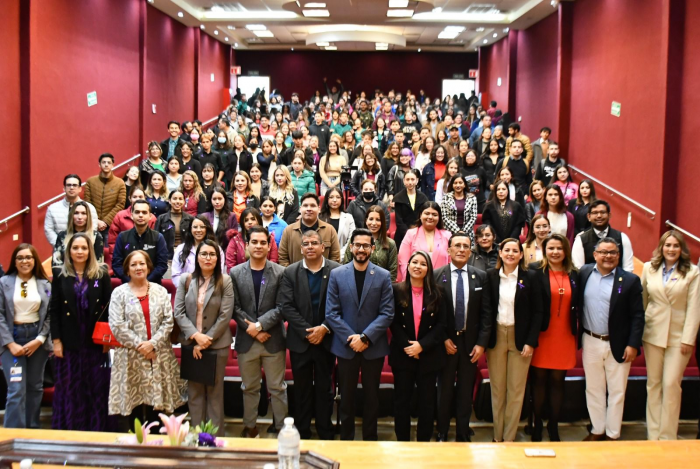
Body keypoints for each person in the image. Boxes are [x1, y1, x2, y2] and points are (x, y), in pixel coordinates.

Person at [326, 228, 394, 441]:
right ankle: (347, 440)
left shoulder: (383, 276)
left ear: (372, 248)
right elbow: (331, 313)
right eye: (358, 245)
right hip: (345, 347)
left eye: (366, 245)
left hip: (373, 347)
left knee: (372, 398)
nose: (361, 249)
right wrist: (352, 338)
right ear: (351, 247)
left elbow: (387, 312)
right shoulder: (337, 274)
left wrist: (365, 337)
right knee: (346, 398)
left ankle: (370, 439)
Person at [108, 250, 187, 422]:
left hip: (158, 355)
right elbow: (117, 325)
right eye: (133, 264)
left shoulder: (160, 291)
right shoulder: (119, 293)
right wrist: (142, 346)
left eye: (142, 263)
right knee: (134, 410)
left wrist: (152, 344)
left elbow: (168, 321)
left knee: (156, 411)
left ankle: (155, 439)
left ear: (148, 267)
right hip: (131, 357)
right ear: (127, 270)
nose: (138, 267)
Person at [579, 237, 644, 441]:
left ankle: (613, 433)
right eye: (603, 252)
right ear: (595, 255)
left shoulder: (630, 280)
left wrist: (633, 344)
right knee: (593, 388)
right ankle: (597, 429)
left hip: (619, 343)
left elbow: (638, 315)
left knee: (617, 391)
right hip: (590, 340)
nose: (608, 256)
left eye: (613, 252)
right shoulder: (584, 273)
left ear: (618, 255)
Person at [279, 230, 340, 440]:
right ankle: (302, 432)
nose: (310, 247)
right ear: (301, 248)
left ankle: (325, 431)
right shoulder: (290, 272)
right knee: (301, 390)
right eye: (306, 244)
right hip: (300, 341)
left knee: (325, 389)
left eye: (314, 243)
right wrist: (308, 332)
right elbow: (286, 306)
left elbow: (340, 304)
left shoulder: (336, 270)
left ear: (323, 247)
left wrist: (324, 328)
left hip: (327, 340)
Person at [49, 233, 114, 431]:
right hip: (69, 342)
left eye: (84, 248)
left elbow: (109, 308)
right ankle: (70, 429)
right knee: (71, 388)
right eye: (75, 248)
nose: (80, 252)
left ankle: (95, 429)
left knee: (95, 387)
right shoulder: (60, 275)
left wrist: (106, 340)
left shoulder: (101, 274)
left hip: (94, 341)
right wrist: (56, 340)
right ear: (69, 251)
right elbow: (54, 310)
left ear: (90, 251)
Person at [641, 231, 700, 440]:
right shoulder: (649, 268)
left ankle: (667, 437)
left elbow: (694, 308)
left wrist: (688, 339)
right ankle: (653, 435)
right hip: (653, 333)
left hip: (678, 337)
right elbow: (643, 301)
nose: (671, 249)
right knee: (654, 384)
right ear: (661, 247)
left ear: (682, 249)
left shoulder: (692, 272)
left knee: (670, 384)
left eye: (676, 245)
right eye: (668, 245)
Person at [434, 232, 492, 442]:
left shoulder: (481, 276)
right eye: (457, 245)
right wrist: (443, 339)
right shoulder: (437, 275)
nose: (461, 249)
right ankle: (442, 430)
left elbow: (487, 313)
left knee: (466, 391)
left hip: (471, 343)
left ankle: (463, 431)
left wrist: (481, 344)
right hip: (446, 342)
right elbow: (432, 313)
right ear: (449, 250)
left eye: (465, 246)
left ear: (470, 251)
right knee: (445, 389)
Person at [231, 227, 287, 438]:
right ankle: (250, 427)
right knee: (249, 387)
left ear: (269, 245)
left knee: (277, 388)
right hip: (247, 341)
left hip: (273, 340)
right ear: (247, 245)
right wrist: (254, 330)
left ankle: (281, 427)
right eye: (254, 242)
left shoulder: (280, 272)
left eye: (263, 242)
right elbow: (234, 307)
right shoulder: (236, 273)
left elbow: (282, 307)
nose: (258, 246)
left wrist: (260, 326)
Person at [173, 239, 233, 436]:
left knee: (215, 395)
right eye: (204, 254)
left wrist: (207, 339)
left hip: (217, 345)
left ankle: (214, 438)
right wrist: (196, 336)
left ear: (218, 258)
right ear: (197, 257)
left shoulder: (225, 281)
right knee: (195, 394)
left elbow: (225, 315)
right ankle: (197, 437)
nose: (208, 258)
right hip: (191, 344)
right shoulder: (186, 280)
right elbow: (179, 312)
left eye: (212, 254)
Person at [486, 238, 543, 442]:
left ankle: (509, 438)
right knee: (497, 389)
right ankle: (497, 436)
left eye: (515, 251)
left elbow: (538, 312)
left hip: (521, 339)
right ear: (500, 253)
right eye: (507, 250)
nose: (510, 254)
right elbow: (486, 310)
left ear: (521, 255)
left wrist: (531, 341)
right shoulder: (491, 276)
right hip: (497, 337)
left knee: (516, 390)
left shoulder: (531, 277)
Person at [390, 251, 445, 441]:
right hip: (402, 354)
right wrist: (409, 347)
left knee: (427, 404)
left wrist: (421, 346)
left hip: (429, 355)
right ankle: (402, 442)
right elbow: (393, 322)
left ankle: (423, 443)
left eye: (423, 263)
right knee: (401, 402)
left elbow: (441, 325)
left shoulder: (438, 293)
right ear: (408, 266)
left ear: (428, 269)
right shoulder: (396, 290)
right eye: (414, 262)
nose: (418, 266)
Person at [528, 234, 579, 442]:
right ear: (544, 250)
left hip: (564, 335)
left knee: (558, 382)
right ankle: (537, 424)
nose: (555, 252)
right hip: (542, 334)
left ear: (566, 251)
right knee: (538, 381)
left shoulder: (575, 273)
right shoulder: (534, 271)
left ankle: (553, 425)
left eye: (559, 248)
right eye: (551, 248)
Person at [0, 244, 51, 428]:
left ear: (35, 260)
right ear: (14, 261)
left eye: (28, 257)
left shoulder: (45, 284)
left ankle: (31, 430)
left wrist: (39, 340)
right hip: (12, 339)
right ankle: (13, 435)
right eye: (20, 258)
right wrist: (10, 344)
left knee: (35, 387)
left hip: (37, 339)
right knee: (16, 388)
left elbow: (50, 314)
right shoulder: (4, 282)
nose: (24, 261)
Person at [112, 200, 169, 284]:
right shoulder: (122, 237)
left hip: (152, 285)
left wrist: (145, 282)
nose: (140, 215)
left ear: (150, 216)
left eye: (144, 212)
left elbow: (162, 265)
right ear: (132, 215)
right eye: (137, 212)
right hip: (128, 284)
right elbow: (117, 265)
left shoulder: (158, 237)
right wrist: (131, 281)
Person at [278, 193, 341, 267]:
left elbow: (335, 257)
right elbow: (282, 258)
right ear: (300, 209)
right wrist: (292, 273)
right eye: (305, 205)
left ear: (319, 209)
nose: (309, 209)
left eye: (313, 206)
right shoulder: (288, 231)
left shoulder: (329, 230)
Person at [572, 200, 634, 272]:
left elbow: (628, 268)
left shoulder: (622, 238)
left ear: (609, 215)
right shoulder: (581, 240)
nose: (599, 216)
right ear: (589, 217)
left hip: (617, 278)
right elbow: (579, 269)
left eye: (603, 212)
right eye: (595, 213)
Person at [397, 202, 452, 282]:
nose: (430, 217)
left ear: (439, 217)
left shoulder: (447, 236)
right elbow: (403, 262)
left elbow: (451, 262)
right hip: (416, 282)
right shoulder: (410, 234)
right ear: (420, 215)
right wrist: (410, 282)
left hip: (441, 282)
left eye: (434, 214)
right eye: (427, 213)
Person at [343, 206, 398, 282]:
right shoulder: (355, 240)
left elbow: (393, 271)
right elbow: (346, 263)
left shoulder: (390, 243)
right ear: (366, 221)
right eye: (371, 219)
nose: (374, 223)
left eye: (378, 220)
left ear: (382, 222)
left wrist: (386, 286)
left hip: (381, 284)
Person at [52, 201, 104, 278]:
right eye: (76, 213)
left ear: (88, 216)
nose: (80, 217)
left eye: (83, 213)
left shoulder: (96, 236)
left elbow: (99, 265)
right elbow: (56, 264)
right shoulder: (62, 236)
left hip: (89, 278)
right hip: (65, 278)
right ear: (71, 216)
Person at [45, 174, 99, 246]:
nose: (71, 188)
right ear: (64, 188)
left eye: (74, 185)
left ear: (80, 189)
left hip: (84, 249)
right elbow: (49, 230)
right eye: (69, 185)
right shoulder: (52, 208)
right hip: (60, 249)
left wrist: (82, 246)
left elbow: (93, 229)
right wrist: (60, 245)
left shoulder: (90, 208)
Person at [83, 153, 126, 243]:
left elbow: (120, 204)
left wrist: (105, 222)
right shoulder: (90, 181)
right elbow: (87, 203)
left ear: (113, 165)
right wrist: (96, 221)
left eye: (109, 162)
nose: (106, 165)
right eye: (104, 162)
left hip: (110, 225)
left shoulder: (120, 183)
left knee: (108, 249)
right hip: (92, 224)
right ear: (99, 164)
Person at [172, 215, 225, 286]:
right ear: (190, 229)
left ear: (207, 229)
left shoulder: (217, 249)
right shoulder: (181, 249)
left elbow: (219, 273)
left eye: (202, 227)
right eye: (195, 227)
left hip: (209, 289)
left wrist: (204, 288)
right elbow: (176, 275)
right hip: (185, 289)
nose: (198, 230)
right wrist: (187, 288)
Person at [155, 189, 194, 262]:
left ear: (184, 201)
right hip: (166, 257)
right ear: (169, 201)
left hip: (186, 256)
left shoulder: (190, 219)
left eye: (180, 199)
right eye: (175, 199)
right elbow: (155, 239)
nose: (177, 201)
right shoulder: (161, 218)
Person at [393, 169, 428, 249]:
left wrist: (417, 232)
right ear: (404, 181)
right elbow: (399, 221)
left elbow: (424, 217)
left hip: (420, 234)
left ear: (417, 181)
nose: (410, 182)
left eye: (412, 179)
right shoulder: (398, 198)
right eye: (407, 179)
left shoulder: (423, 198)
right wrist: (408, 234)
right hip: (402, 235)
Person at [319, 187, 355, 257]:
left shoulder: (348, 217)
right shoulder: (319, 217)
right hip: (323, 256)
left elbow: (351, 238)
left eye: (338, 197)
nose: (334, 200)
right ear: (327, 199)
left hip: (343, 257)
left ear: (342, 199)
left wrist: (340, 254)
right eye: (331, 197)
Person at [441, 175, 478, 243]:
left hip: (467, 233)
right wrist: (457, 231)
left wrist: (463, 231)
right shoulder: (446, 198)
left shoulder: (472, 198)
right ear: (452, 185)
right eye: (455, 183)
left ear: (464, 185)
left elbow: (473, 217)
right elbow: (444, 217)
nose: (458, 185)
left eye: (460, 183)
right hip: (450, 232)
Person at [204, 186, 239, 251]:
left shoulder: (232, 216)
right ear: (211, 200)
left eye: (220, 199)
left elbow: (234, 240)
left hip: (226, 251)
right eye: (214, 199)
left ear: (224, 199)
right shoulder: (205, 216)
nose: (217, 202)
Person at [462, 149, 488, 213]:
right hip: (465, 202)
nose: (470, 157)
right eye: (468, 156)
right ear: (465, 158)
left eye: (472, 156)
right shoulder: (460, 171)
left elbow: (484, 184)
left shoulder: (481, 170)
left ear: (476, 157)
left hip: (480, 203)